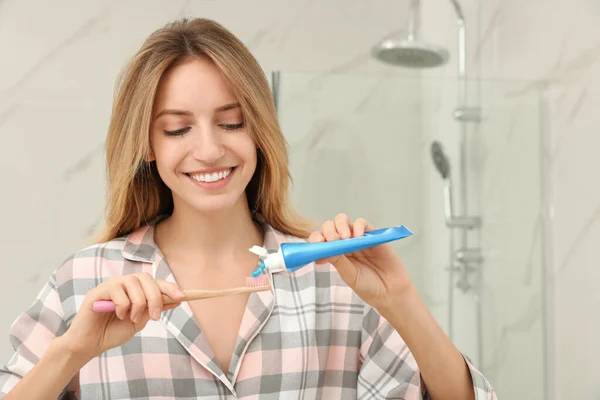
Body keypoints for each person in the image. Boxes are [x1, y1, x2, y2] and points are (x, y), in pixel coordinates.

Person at [0, 18, 496, 399]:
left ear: (258, 130)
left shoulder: (330, 280)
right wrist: (72, 352)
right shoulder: (86, 283)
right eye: (177, 129)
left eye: (232, 123)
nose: (210, 149)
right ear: (147, 144)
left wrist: (399, 298)